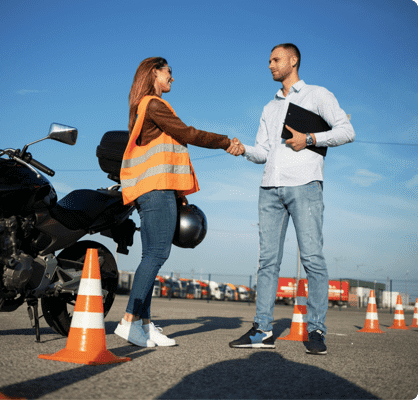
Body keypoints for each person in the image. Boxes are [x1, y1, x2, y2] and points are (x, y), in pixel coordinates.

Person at [228, 44, 355, 355]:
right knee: (267, 262)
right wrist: (242, 149)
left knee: (312, 259)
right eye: (269, 61)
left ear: (293, 60)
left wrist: (309, 139)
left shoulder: (317, 95)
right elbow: (263, 152)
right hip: (270, 188)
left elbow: (347, 131)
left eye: (276, 59)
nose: (270, 65)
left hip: (306, 185)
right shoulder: (268, 108)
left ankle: (316, 331)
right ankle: (262, 329)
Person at [114, 57, 234, 347]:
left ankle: (144, 324)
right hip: (156, 190)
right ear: (155, 72)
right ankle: (129, 321)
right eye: (169, 72)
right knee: (156, 255)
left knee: (152, 257)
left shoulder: (143, 107)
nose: (173, 78)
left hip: (154, 189)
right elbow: (188, 134)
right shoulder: (154, 104)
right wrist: (225, 141)